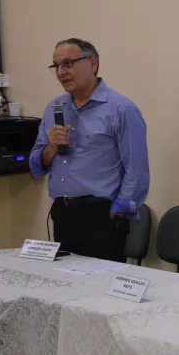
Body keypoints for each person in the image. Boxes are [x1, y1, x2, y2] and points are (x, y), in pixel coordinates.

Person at [29, 38, 149, 263]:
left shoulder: (121, 109)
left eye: (68, 64)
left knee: (100, 284)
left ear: (92, 64)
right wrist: (51, 147)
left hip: (102, 216)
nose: (61, 72)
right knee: (64, 282)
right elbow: (36, 166)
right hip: (63, 214)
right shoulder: (54, 108)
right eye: (56, 66)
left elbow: (137, 168)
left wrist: (118, 212)